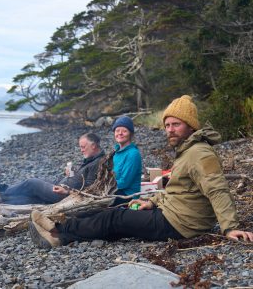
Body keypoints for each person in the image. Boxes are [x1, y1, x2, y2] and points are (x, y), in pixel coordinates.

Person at [28, 95, 253, 248]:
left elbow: (218, 190)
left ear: (191, 126)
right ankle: (62, 238)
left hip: (180, 224)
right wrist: (152, 202)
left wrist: (230, 228)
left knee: (115, 216)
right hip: (172, 213)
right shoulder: (187, 151)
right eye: (167, 125)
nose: (170, 130)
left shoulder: (200, 154)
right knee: (120, 221)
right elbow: (177, 189)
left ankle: (57, 229)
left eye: (177, 125)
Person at [1, 133, 105, 205]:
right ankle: (6, 196)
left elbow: (89, 188)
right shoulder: (91, 158)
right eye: (80, 147)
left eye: (83, 147)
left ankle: (3, 192)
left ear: (94, 146)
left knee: (31, 183)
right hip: (61, 184)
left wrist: (67, 191)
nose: (81, 150)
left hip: (62, 194)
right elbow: (81, 178)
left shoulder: (98, 162)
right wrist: (72, 172)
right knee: (36, 182)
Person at [110, 116, 142, 206]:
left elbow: (124, 183)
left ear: (130, 134)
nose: (120, 133)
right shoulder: (116, 152)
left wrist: (106, 188)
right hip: (116, 190)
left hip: (128, 196)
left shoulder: (133, 154)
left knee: (96, 206)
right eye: (117, 130)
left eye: (124, 131)